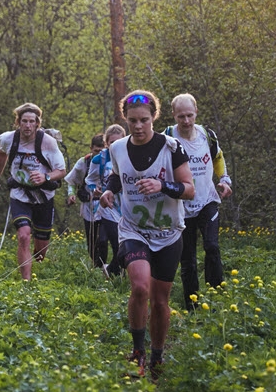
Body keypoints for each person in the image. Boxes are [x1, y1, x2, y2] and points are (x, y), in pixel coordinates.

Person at [99, 90, 194, 378]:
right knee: (140, 287)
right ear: (125, 120)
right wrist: (108, 190)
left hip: (168, 232)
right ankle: (137, 353)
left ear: (154, 117)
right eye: (132, 121)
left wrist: (162, 186)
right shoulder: (116, 149)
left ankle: (157, 355)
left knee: (160, 299)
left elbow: (189, 189)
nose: (138, 127)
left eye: (143, 120)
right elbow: (117, 175)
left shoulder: (171, 147)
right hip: (133, 229)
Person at [165, 93, 233, 311]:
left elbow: (218, 157)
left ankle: (217, 297)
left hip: (207, 200)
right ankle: (192, 305)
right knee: (188, 259)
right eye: (181, 116)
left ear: (196, 113)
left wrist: (224, 179)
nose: (186, 121)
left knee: (212, 246)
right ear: (173, 115)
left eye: (190, 115)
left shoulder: (207, 135)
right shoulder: (167, 138)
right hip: (181, 205)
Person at [0, 103, 67, 281]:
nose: (27, 125)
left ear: (37, 123)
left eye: (31, 121)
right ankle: (26, 282)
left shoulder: (48, 142)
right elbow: (1, 154)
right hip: (19, 193)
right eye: (24, 121)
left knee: (41, 249)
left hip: (43, 196)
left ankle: (37, 267)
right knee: (24, 235)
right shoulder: (9, 139)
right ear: (18, 122)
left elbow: (61, 171)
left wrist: (45, 177)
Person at [86, 124, 127, 278]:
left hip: (128, 206)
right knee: (116, 244)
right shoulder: (99, 159)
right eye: (112, 142)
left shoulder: (131, 155)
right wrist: (94, 189)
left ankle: (111, 271)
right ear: (106, 143)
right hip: (109, 208)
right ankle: (117, 277)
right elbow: (89, 180)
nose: (115, 145)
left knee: (126, 245)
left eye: (119, 141)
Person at [65, 134, 105, 268]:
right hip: (89, 205)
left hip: (109, 206)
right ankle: (97, 266)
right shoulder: (83, 162)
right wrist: (71, 194)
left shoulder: (112, 161)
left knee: (103, 239)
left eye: (102, 151)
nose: (99, 154)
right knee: (92, 241)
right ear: (91, 149)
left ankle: (106, 267)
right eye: (96, 151)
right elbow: (71, 181)